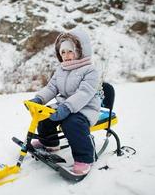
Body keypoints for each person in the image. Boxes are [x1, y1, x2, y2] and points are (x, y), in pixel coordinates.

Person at [29, 28, 101, 176]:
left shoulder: (90, 70)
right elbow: (52, 87)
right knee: (44, 115)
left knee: (72, 123)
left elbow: (84, 93)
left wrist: (68, 108)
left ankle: (84, 158)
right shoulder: (61, 69)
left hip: (85, 108)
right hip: (64, 105)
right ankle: (49, 143)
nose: (66, 56)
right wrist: (39, 99)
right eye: (63, 52)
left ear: (81, 51)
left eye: (70, 51)